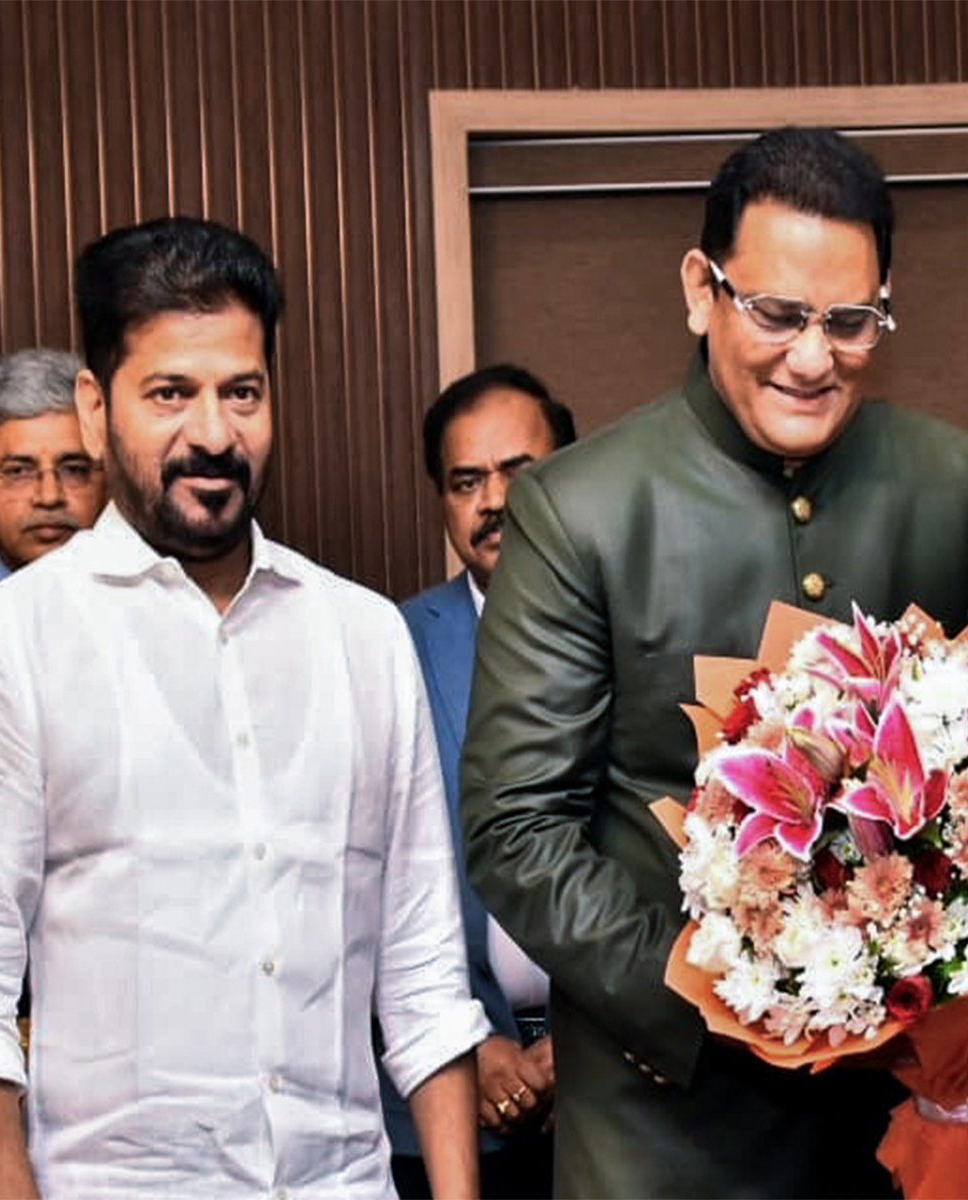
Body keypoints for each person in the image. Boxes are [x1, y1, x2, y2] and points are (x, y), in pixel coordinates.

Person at [459, 126, 968, 1197]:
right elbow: (516, 828)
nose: (813, 357)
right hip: (665, 1128)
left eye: (851, 321)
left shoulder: (949, 482)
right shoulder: (580, 510)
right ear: (698, 289)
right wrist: (728, 995)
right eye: (776, 313)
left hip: (897, 1117)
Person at [0, 216, 488, 1200]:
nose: (213, 434)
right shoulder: (8, 642)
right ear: (92, 404)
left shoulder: (364, 639)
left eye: (241, 391)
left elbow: (423, 985)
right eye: (170, 393)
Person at [385, 363, 575, 1199]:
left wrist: (592, 1043)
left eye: (519, 474)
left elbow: (685, 858)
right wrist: (469, 1043)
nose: (493, 501)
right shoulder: (388, 646)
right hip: (448, 1098)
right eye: (467, 482)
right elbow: (358, 877)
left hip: (620, 1094)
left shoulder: (649, 632)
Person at [0, 348, 105, 618]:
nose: (49, 497)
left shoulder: (157, 611)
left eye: (73, 469)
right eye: (18, 472)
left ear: (108, 482)